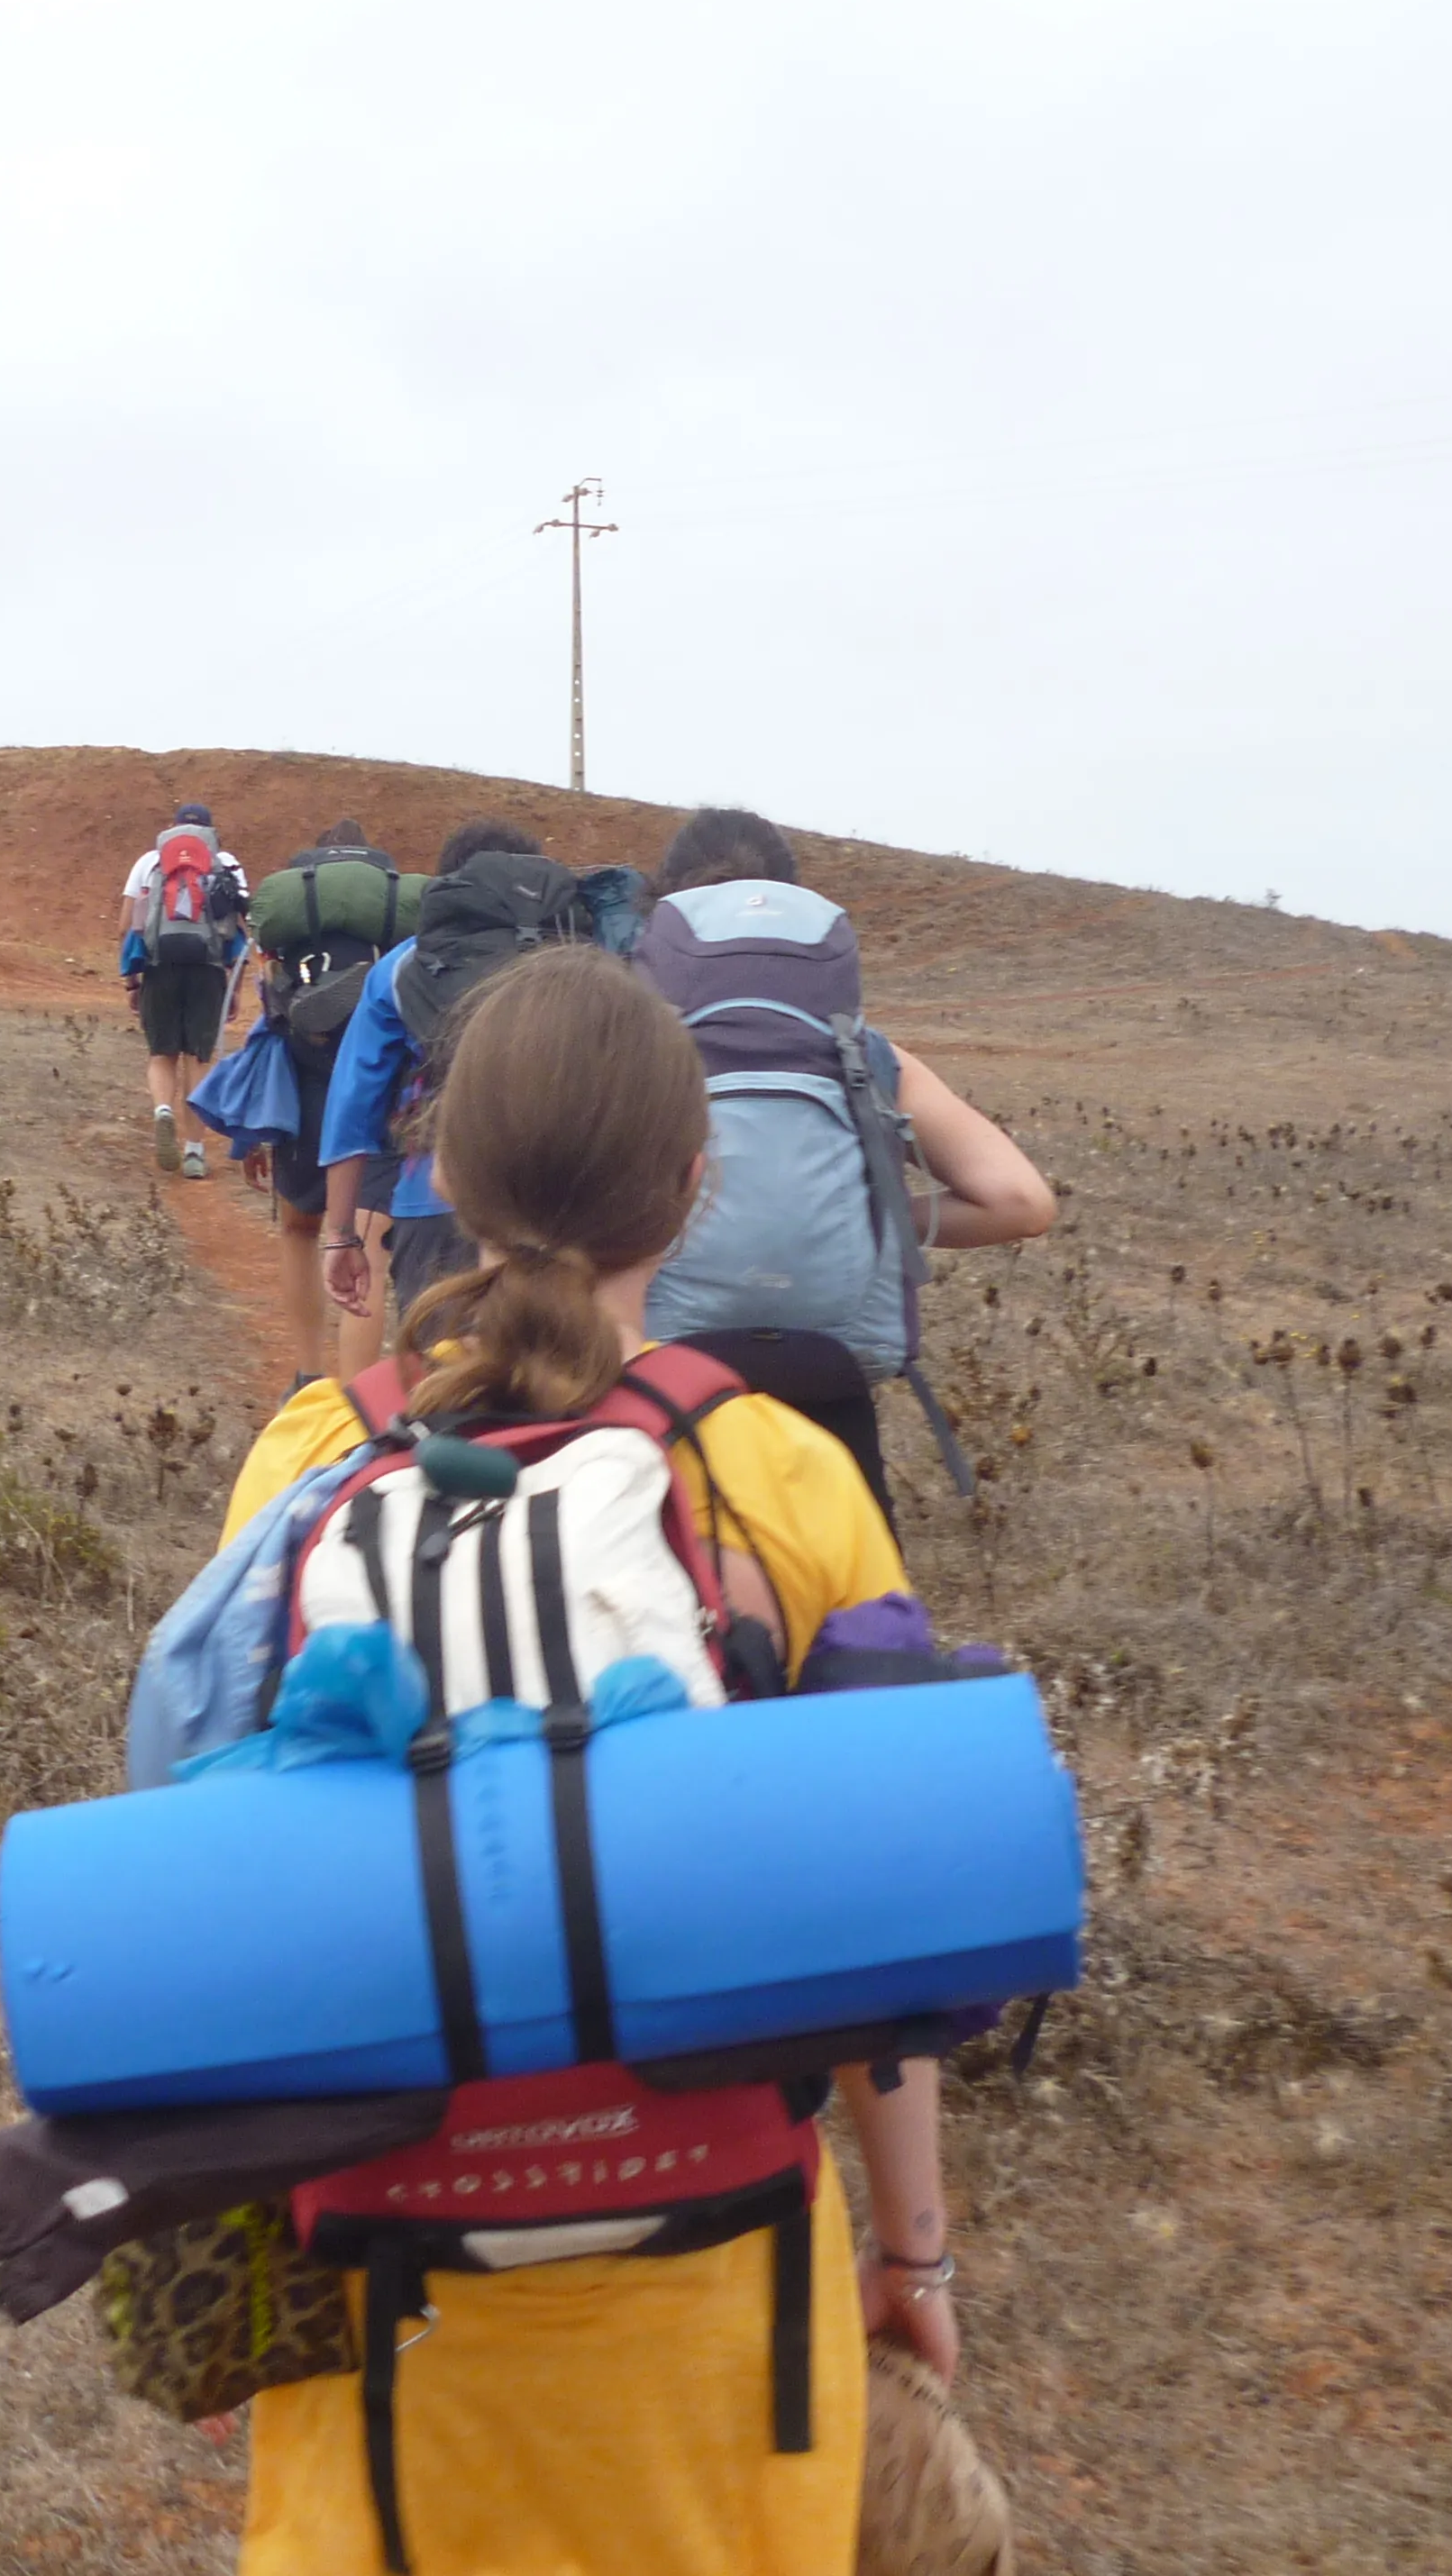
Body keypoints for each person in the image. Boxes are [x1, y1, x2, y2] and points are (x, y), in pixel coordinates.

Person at [216, 945, 960, 2576]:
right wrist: (914, 2252)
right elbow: (879, 1927)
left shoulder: (312, 1458)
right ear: (692, 1193)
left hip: (387, 2338)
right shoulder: (781, 1472)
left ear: (447, 1174)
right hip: (725, 2314)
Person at [640, 805, 1056, 1516]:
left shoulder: (629, 1046)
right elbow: (1021, 1202)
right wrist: (877, 1223)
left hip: (663, 1384)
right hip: (826, 1379)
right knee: (852, 1614)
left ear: (664, 904)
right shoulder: (867, 1057)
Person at [311, 815, 545, 1374]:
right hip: (552, 1206)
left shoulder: (404, 965)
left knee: (440, 1389)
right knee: (544, 1388)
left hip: (434, 1200)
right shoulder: (573, 959)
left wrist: (342, 1236)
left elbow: (353, 1106)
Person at [239, 815, 398, 1386]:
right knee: (367, 1240)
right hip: (377, 1073)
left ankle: (307, 1373)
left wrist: (256, 1126)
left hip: (305, 1066)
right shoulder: (389, 907)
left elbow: (268, 1000)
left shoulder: (292, 906)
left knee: (299, 1227)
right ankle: (359, 1398)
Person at [119, 800, 247, 1178]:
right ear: (210, 829)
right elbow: (238, 928)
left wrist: (132, 981)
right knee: (199, 1057)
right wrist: (234, 988)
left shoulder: (150, 861)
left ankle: (162, 1111)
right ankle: (194, 1152)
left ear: (172, 828)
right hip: (208, 970)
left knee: (162, 1053)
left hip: (160, 966)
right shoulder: (226, 862)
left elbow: (127, 925)